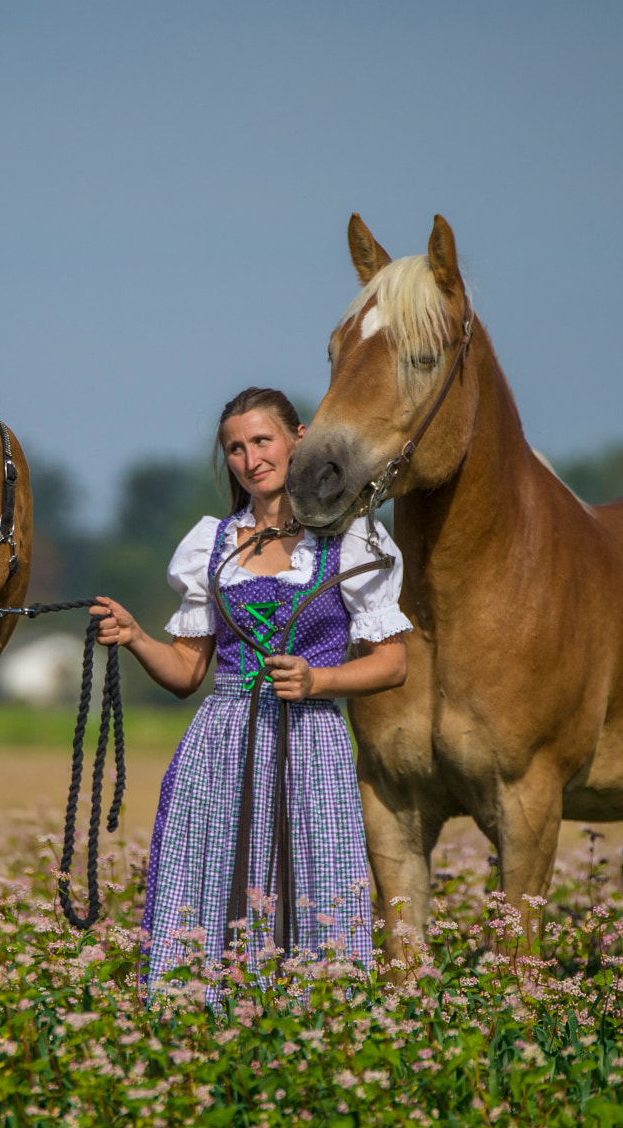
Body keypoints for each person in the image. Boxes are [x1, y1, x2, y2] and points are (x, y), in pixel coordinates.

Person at [90, 388, 411, 988]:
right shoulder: (210, 544)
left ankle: (315, 1018)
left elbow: (392, 665)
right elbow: (188, 673)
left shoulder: (352, 538)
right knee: (213, 882)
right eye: (235, 448)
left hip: (311, 741)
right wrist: (135, 636)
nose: (250, 458)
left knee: (310, 885)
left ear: (299, 437)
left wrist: (319, 679)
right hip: (222, 742)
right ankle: (201, 1018)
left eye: (262, 440)